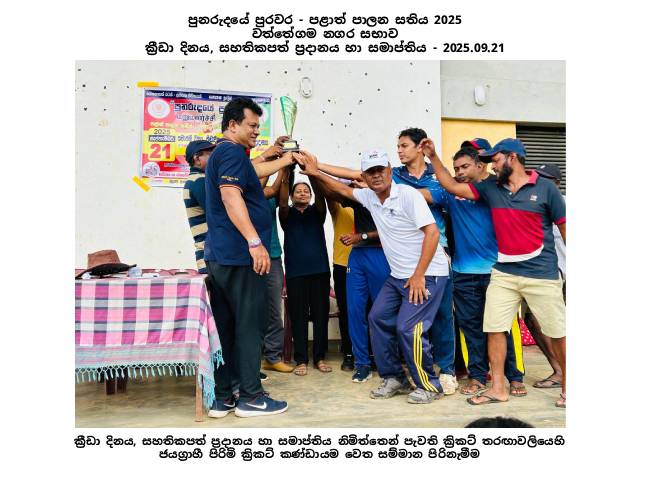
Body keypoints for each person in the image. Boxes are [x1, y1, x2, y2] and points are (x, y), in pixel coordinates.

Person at [421, 137, 566, 408]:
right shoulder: (491, 188)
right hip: (502, 273)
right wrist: (433, 156)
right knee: (493, 328)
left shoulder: (545, 188)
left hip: (540, 273)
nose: (492, 166)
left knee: (556, 331)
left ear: (512, 158)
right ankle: (497, 387)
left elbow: (564, 227)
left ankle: (563, 385)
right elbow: (451, 185)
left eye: (495, 160)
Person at [296, 149, 450, 404]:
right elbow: (342, 189)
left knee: (409, 328)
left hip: (427, 274)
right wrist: (315, 172)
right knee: (377, 318)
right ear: (364, 177)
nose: (376, 175)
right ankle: (394, 377)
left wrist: (419, 274)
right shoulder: (369, 196)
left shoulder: (408, 195)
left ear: (389, 171)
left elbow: (432, 233)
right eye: (370, 172)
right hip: (399, 276)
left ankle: (430, 386)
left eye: (380, 170)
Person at [204, 97, 289, 417]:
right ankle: (252, 397)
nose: (256, 131)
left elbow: (253, 172)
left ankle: (224, 396)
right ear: (232, 124)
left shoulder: (226, 154)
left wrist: (282, 159)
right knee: (249, 325)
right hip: (240, 256)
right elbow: (230, 195)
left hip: (222, 256)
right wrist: (255, 242)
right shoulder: (230, 153)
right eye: (252, 126)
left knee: (226, 327)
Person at [425, 146, 527, 397]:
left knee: (503, 327)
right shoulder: (450, 193)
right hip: (463, 273)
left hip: (498, 271)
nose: (459, 172)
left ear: (480, 166)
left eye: (464, 167)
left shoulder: (496, 188)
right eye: (456, 168)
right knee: (470, 328)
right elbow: (425, 192)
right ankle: (478, 377)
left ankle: (515, 377)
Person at [313, 176, 390, 383]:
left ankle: (386, 363)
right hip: (356, 257)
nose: (356, 184)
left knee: (381, 313)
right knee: (354, 311)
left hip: (381, 255)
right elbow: (331, 191)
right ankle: (362, 363)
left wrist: (361, 236)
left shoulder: (391, 197)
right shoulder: (357, 199)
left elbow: (391, 229)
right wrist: (313, 172)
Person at [279, 177, 332, 376]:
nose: (303, 193)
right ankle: (301, 360)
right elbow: (282, 201)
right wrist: (287, 174)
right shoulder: (286, 214)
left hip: (320, 271)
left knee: (320, 316)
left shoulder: (317, 212)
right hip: (295, 273)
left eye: (306, 191)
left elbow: (320, 195)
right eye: (298, 191)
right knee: (298, 317)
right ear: (292, 196)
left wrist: (312, 175)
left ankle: (320, 357)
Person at [527, 163, 566, 389]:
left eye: (546, 179)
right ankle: (558, 370)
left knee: (558, 325)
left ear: (557, 183)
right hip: (543, 274)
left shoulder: (564, 203)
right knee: (533, 319)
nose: (540, 182)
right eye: (537, 177)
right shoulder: (534, 202)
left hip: (563, 274)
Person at [259, 165, 295, 373]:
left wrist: (285, 170)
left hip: (272, 256)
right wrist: (277, 164)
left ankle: (272, 357)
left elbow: (280, 197)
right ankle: (251, 358)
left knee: (274, 309)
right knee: (251, 310)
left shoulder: (269, 197)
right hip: (248, 259)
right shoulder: (243, 197)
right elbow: (263, 187)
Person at [326, 181, 355, 371]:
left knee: (369, 311)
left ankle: (369, 352)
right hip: (342, 265)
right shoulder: (338, 206)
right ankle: (348, 353)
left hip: (367, 264)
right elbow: (328, 192)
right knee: (345, 311)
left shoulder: (370, 203)